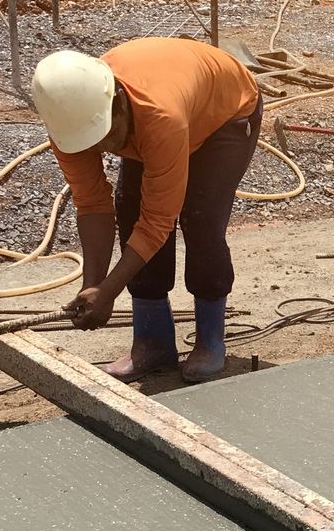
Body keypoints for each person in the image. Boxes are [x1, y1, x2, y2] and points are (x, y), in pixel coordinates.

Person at [31, 38, 261, 383]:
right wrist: (92, 286)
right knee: (130, 211)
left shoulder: (159, 116)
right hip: (167, 112)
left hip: (224, 115)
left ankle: (210, 341)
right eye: (91, 142)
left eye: (107, 137)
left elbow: (158, 222)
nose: (103, 148)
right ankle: (153, 343)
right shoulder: (70, 125)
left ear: (119, 103)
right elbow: (92, 204)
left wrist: (109, 291)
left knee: (201, 220)